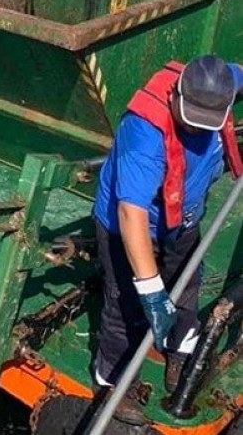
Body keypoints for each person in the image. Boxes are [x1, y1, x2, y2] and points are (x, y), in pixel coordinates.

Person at [91, 55, 242, 424]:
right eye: (190, 121)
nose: (196, 130)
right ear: (176, 96)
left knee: (186, 291)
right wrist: (151, 290)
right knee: (125, 308)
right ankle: (112, 381)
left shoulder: (223, 81)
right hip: (133, 227)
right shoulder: (144, 133)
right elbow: (132, 215)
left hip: (183, 222)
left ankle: (178, 352)